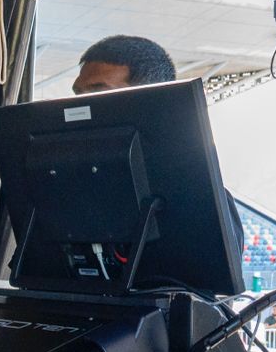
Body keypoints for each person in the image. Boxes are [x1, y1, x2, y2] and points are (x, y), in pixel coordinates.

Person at [69, 34, 247, 259]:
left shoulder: (198, 196)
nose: (80, 105)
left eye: (98, 92)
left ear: (150, 99)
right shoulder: (65, 183)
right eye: (78, 93)